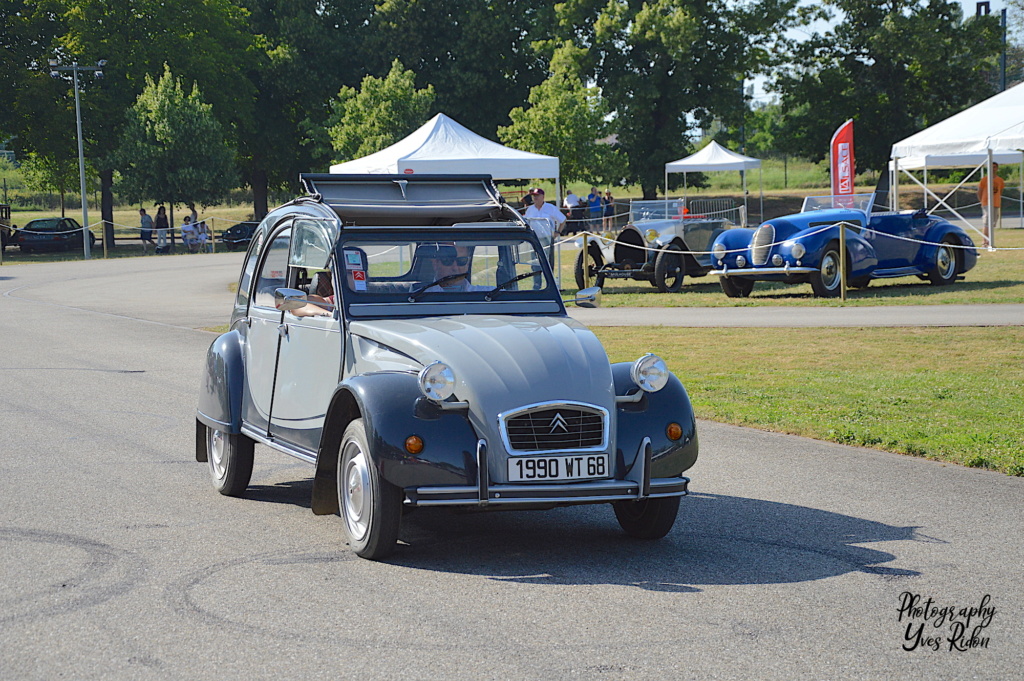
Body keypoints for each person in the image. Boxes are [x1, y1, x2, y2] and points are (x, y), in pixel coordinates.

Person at [978, 162, 1004, 232]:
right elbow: (979, 191)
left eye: (995, 167)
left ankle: (990, 239)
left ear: (997, 168)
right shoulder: (984, 180)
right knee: (987, 222)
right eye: (991, 167)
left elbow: (1000, 191)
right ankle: (985, 241)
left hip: (996, 203)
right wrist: (982, 201)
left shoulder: (1000, 180)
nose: (993, 169)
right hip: (986, 203)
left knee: (993, 222)